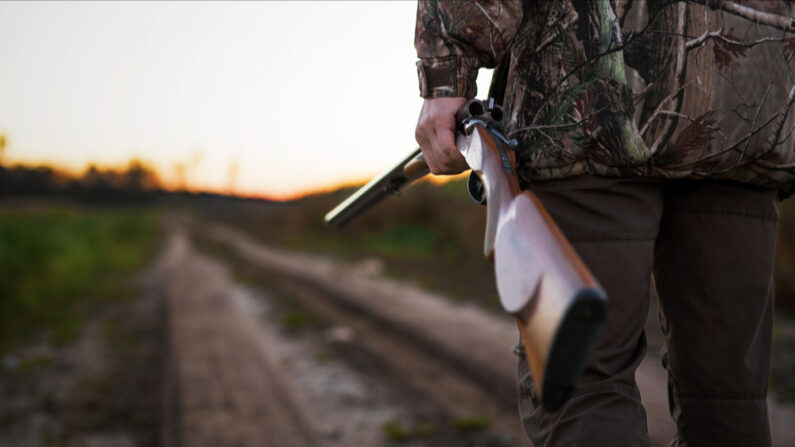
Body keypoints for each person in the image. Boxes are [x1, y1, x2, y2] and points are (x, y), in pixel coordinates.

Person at [413, 1, 795, 446]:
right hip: (750, 110)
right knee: (728, 399)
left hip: (589, 113)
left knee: (583, 386)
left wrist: (447, 75)